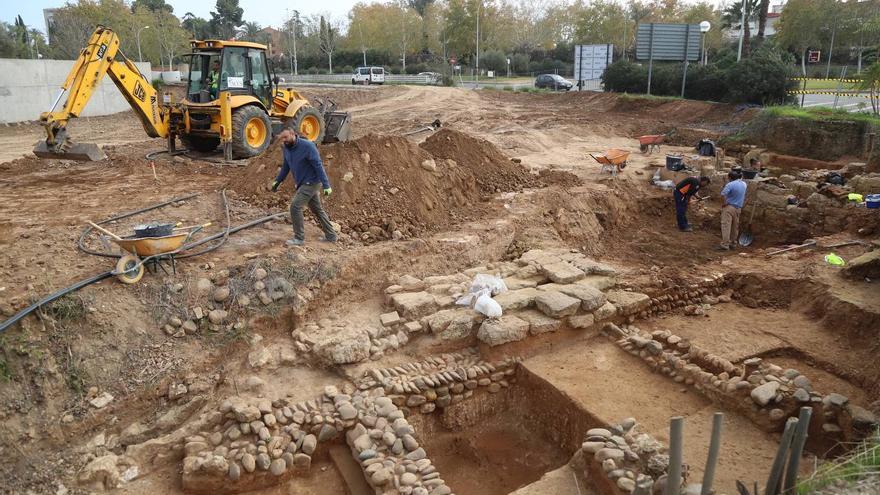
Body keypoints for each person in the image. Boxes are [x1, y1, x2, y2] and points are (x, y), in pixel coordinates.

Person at [271, 129, 337, 246]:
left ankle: (299, 238)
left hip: (312, 182)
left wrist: (326, 185)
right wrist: (278, 181)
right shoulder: (286, 148)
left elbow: (318, 165)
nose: (284, 141)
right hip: (302, 183)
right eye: (282, 139)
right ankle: (331, 235)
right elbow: (286, 166)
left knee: (295, 207)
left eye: (286, 137)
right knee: (317, 210)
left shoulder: (308, 146)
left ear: (292, 134)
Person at [718, 170, 747, 250]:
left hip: (729, 207)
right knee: (735, 226)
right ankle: (733, 243)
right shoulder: (744, 184)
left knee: (726, 226)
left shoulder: (730, 184)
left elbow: (723, 194)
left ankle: (725, 244)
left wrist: (724, 203)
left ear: (730, 177)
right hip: (738, 208)